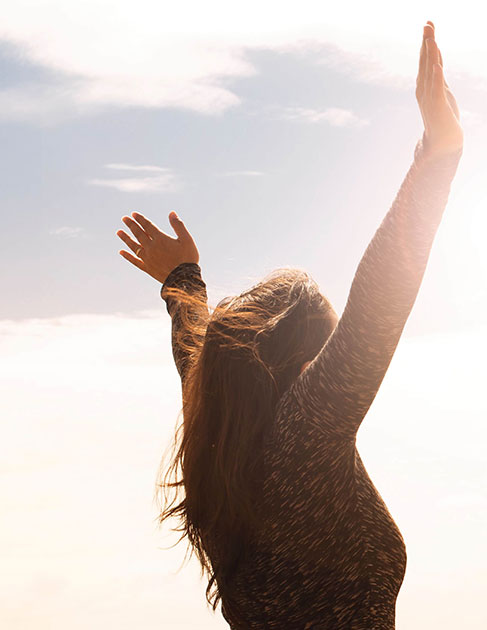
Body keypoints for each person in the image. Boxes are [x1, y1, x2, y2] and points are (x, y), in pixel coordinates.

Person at [114, 21, 463, 629]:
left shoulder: (221, 445)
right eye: (327, 350)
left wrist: (185, 281)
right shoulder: (303, 438)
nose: (333, 363)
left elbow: (195, 353)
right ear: (298, 359)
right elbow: (378, 303)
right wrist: (436, 159)